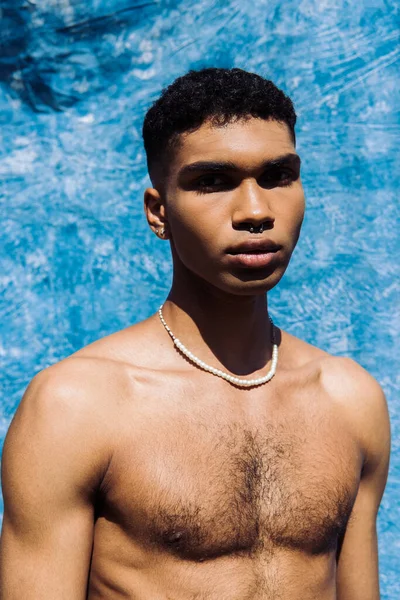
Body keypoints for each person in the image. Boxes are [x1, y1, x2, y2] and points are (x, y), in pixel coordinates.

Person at [0, 68, 391, 600]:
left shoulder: (350, 399)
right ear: (159, 212)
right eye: (212, 181)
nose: (256, 212)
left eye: (278, 176)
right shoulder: (77, 405)